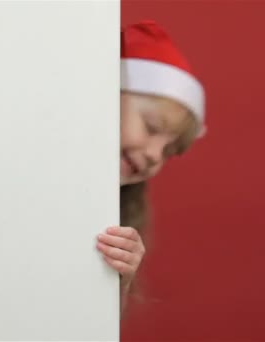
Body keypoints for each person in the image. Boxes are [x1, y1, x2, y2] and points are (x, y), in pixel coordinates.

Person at [95, 20, 207, 317]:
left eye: (169, 151)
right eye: (151, 126)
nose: (156, 155)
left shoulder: (116, 218)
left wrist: (118, 281)